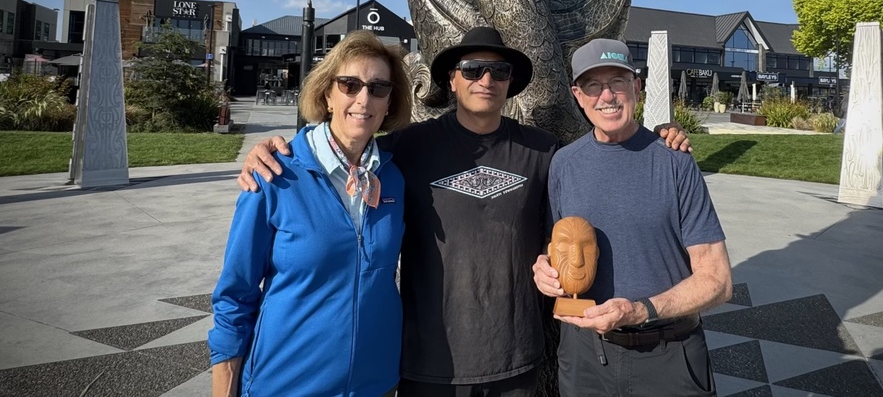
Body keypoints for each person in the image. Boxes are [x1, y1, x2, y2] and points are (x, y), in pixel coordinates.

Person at [239, 27, 692, 396]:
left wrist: (658, 139)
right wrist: (277, 148)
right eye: (473, 69)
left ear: (510, 81)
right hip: (427, 362)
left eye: (498, 71)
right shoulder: (408, 149)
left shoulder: (540, 151)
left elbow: (599, 160)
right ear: (452, 79)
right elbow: (346, 142)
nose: (486, 80)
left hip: (515, 357)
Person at [208, 30, 412, 397]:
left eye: (379, 88)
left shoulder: (393, 178)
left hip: (376, 384)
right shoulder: (274, 174)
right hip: (288, 384)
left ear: (389, 103)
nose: (364, 99)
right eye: (350, 84)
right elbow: (235, 295)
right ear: (327, 94)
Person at [532, 38, 732, 397]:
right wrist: (544, 271)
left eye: (617, 82)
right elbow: (554, 246)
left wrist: (640, 310)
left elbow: (717, 280)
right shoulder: (564, 164)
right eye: (593, 85)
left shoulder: (675, 161)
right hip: (584, 358)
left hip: (668, 354)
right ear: (578, 95)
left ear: (636, 88)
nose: (606, 96)